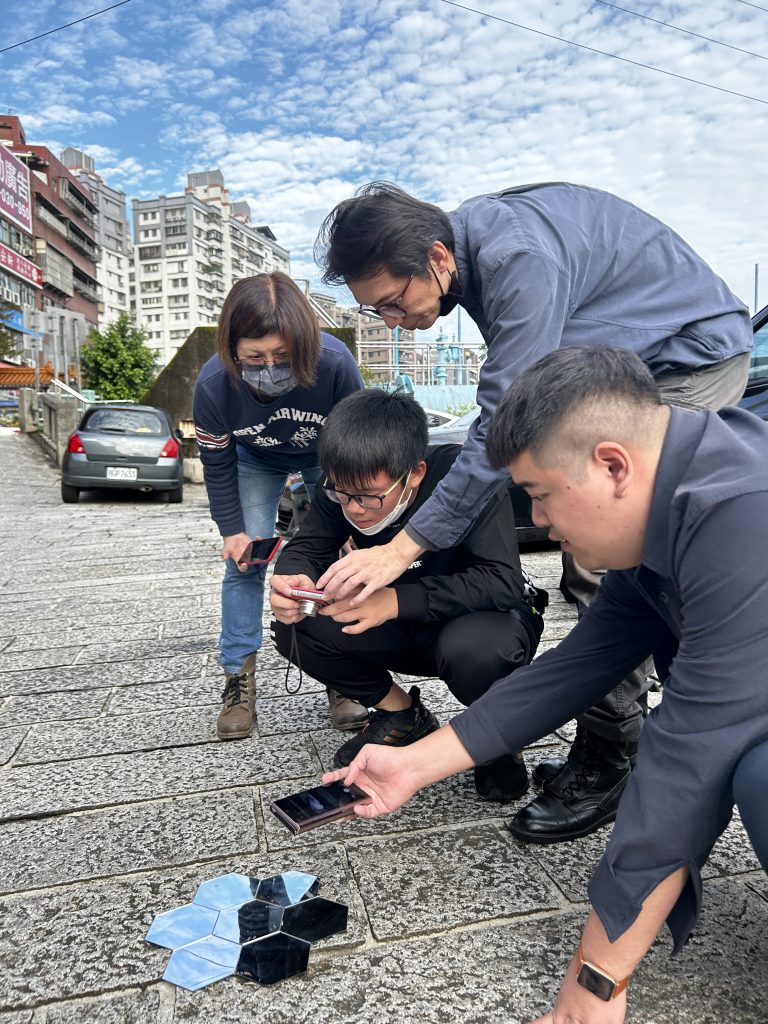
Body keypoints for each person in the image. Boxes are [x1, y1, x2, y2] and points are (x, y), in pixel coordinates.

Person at [324, 347, 768, 1023]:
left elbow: (684, 764)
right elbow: (571, 669)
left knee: (758, 776)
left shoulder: (740, 514)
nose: (540, 522)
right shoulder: (665, 507)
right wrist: (416, 763)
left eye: (538, 494)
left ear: (612, 465)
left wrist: (591, 992)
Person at [313, 180, 753, 842]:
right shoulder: (476, 260)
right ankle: (616, 738)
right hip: (628, 364)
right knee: (603, 576)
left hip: (684, 360)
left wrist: (404, 547)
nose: (394, 322)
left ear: (436, 258)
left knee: (616, 565)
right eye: (378, 314)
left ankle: (618, 753)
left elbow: (500, 418)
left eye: (394, 303)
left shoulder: (517, 258)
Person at [268, 388, 546, 799]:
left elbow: (500, 581)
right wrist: (292, 580)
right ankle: (403, 716)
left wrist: (396, 601)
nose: (354, 509)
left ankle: (495, 738)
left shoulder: (463, 479)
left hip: (476, 625)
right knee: (296, 626)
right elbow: (308, 544)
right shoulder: (343, 485)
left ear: (414, 473)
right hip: (397, 626)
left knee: (477, 650)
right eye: (342, 496)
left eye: (368, 496)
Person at [193, 272, 365, 740]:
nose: (269, 368)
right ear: (233, 349)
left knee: (337, 558)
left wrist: (352, 519)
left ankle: (344, 674)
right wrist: (233, 529)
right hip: (254, 462)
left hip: (328, 458)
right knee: (244, 565)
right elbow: (217, 463)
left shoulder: (334, 363)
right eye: (255, 358)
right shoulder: (213, 386)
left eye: (283, 357)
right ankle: (238, 677)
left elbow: (357, 443)